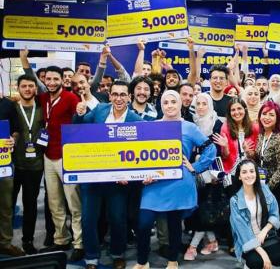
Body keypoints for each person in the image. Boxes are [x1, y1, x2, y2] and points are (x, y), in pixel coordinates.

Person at [133, 90, 216, 269]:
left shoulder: (189, 127)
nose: (169, 105)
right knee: (144, 223)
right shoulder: (151, 126)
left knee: (174, 226)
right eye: (166, 102)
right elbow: (141, 155)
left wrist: (196, 167)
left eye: (173, 102)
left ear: (180, 104)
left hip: (178, 182)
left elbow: (210, 149)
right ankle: (142, 262)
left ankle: (172, 260)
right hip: (153, 183)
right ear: (161, 105)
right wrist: (142, 175)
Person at [73, 81, 143, 269]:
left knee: (118, 218)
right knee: (88, 219)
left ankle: (117, 253)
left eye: (123, 95)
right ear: (110, 96)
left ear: (129, 97)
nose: (119, 98)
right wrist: (79, 114)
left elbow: (142, 153)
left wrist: (129, 174)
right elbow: (78, 129)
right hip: (93, 177)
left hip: (118, 182)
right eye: (115, 94)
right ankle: (91, 257)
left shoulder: (137, 120)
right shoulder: (99, 111)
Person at [36, 65, 84, 261]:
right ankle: (61, 239)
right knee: (54, 202)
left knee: (74, 203)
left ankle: (79, 243)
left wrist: (81, 110)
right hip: (48, 155)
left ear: (62, 81)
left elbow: (81, 116)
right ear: (44, 80)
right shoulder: (44, 98)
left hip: (67, 156)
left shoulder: (71, 98)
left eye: (56, 79)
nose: (52, 82)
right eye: (48, 79)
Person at [183, 93, 224, 261]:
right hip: (194, 172)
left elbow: (219, 152)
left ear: (210, 105)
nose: (200, 107)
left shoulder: (218, 123)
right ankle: (212, 241)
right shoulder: (191, 123)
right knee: (198, 210)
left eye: (204, 103)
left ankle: (192, 246)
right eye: (197, 103)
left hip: (212, 174)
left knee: (204, 210)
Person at [254, 101, 280, 256]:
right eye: (264, 114)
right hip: (266, 183)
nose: (267, 117)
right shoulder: (261, 135)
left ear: (278, 118)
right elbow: (261, 159)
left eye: (271, 114)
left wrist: (266, 189)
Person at [229, 159, 280, 269]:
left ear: (256, 173)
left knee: (279, 258)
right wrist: (264, 255)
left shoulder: (264, 189)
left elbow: (275, 214)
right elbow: (242, 231)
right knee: (257, 262)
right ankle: (248, 265)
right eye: (244, 172)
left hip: (264, 236)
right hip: (247, 239)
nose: (249, 175)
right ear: (239, 176)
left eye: (252, 171)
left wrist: (264, 232)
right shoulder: (235, 200)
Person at [12, 75, 44, 255]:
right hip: (15, 165)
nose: (27, 89)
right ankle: (5, 240)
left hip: (36, 165)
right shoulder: (12, 108)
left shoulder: (42, 109)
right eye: (23, 86)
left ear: (35, 89)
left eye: (31, 86)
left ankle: (28, 240)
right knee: (7, 205)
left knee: (30, 205)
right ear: (18, 88)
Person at [0, 92, 22, 257]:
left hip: (3, 163)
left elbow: (16, 130)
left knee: (6, 206)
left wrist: (13, 139)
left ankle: (5, 243)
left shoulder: (8, 104)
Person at [215, 98, 260, 176]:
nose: (236, 112)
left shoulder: (255, 128)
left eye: (239, 108)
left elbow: (256, 156)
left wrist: (248, 152)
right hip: (232, 171)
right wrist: (225, 146)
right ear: (229, 113)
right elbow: (225, 157)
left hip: (250, 170)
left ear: (245, 110)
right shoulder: (225, 128)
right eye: (233, 110)